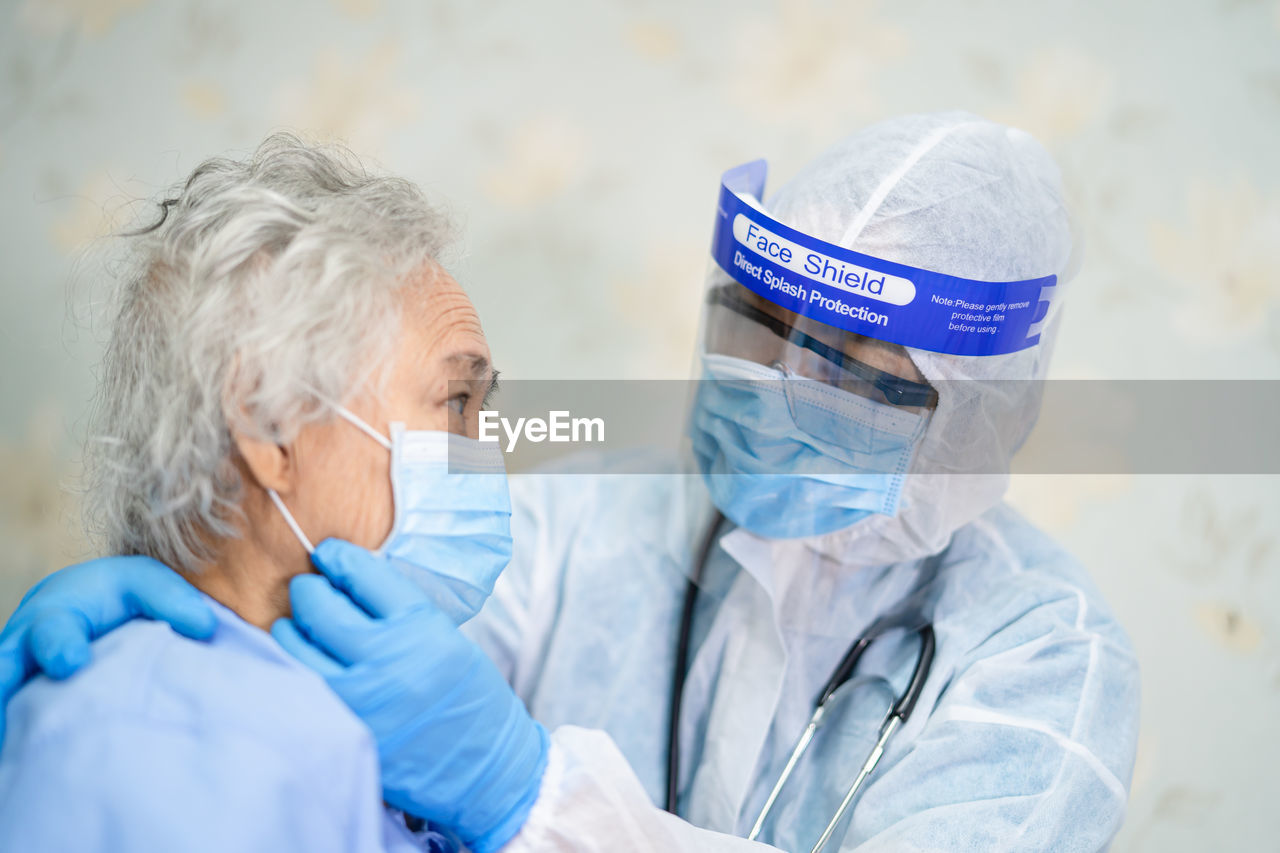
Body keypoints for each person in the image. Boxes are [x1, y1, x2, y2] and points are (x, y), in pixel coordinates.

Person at [1, 113, 1140, 851]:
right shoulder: (596, 518)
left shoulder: (1040, 662)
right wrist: (186, 615)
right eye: (758, 325)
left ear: (977, 415)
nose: (777, 382)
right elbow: (363, 611)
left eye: (849, 366)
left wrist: (529, 795)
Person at [0, 134, 545, 853]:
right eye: (456, 400)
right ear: (271, 426)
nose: (483, 449)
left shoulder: (351, 736)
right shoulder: (145, 747)